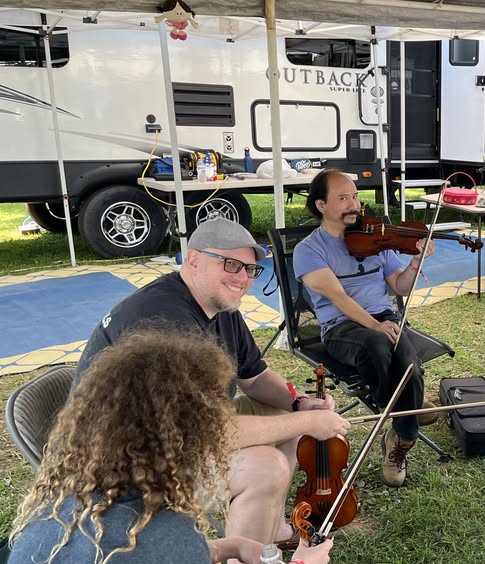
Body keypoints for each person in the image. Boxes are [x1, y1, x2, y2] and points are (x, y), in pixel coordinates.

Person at [70, 218, 351, 549]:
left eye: (250, 269)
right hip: (130, 467)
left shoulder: (219, 305)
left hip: (176, 434)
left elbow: (256, 376)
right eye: (231, 264)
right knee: (265, 467)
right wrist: (308, 421)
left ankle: (268, 524)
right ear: (193, 260)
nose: (243, 278)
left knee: (281, 414)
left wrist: (299, 404)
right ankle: (242, 552)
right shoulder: (163, 319)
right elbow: (202, 431)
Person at [10, 330, 334, 564]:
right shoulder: (167, 535)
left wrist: (225, 547)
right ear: (188, 436)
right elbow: (156, 551)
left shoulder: (48, 515)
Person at [293, 169, 435, 487]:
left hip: (384, 316)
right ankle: (407, 412)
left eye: (355, 196)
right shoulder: (309, 250)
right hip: (341, 327)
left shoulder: (376, 237)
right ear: (321, 205)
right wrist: (375, 325)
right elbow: (338, 298)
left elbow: (400, 287)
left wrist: (416, 262)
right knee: (376, 344)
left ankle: (398, 437)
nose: (354, 205)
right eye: (343, 198)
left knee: (410, 362)